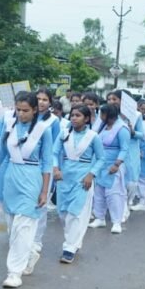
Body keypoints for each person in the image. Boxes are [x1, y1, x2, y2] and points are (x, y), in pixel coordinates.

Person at [0, 91, 55, 288]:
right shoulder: (9, 126)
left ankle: (14, 272)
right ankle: (30, 253)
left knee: (23, 226)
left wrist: (44, 191)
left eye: (25, 110)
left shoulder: (43, 130)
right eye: (18, 110)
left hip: (32, 179)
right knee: (12, 227)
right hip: (11, 177)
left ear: (34, 110)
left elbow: (47, 162)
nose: (21, 114)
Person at [52, 105, 104, 263]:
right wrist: (55, 168)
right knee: (63, 214)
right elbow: (54, 153)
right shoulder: (64, 134)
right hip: (64, 178)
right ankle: (74, 241)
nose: (74, 118)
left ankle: (69, 248)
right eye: (72, 115)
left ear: (86, 119)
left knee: (76, 213)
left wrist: (91, 174)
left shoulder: (93, 136)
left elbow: (101, 158)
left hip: (83, 180)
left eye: (78, 115)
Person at [87, 104, 129, 234]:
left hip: (113, 165)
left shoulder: (122, 129)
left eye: (102, 114)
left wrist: (116, 164)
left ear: (108, 115)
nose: (100, 116)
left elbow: (124, 149)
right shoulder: (103, 127)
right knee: (98, 192)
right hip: (100, 165)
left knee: (114, 194)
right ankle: (100, 218)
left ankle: (116, 221)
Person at [31, 87, 60, 268]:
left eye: (44, 99)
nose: (41, 102)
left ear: (50, 102)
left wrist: (54, 168)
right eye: (38, 98)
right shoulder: (28, 116)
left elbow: (54, 147)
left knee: (40, 204)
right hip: (27, 166)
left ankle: (36, 239)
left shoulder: (53, 121)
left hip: (44, 167)